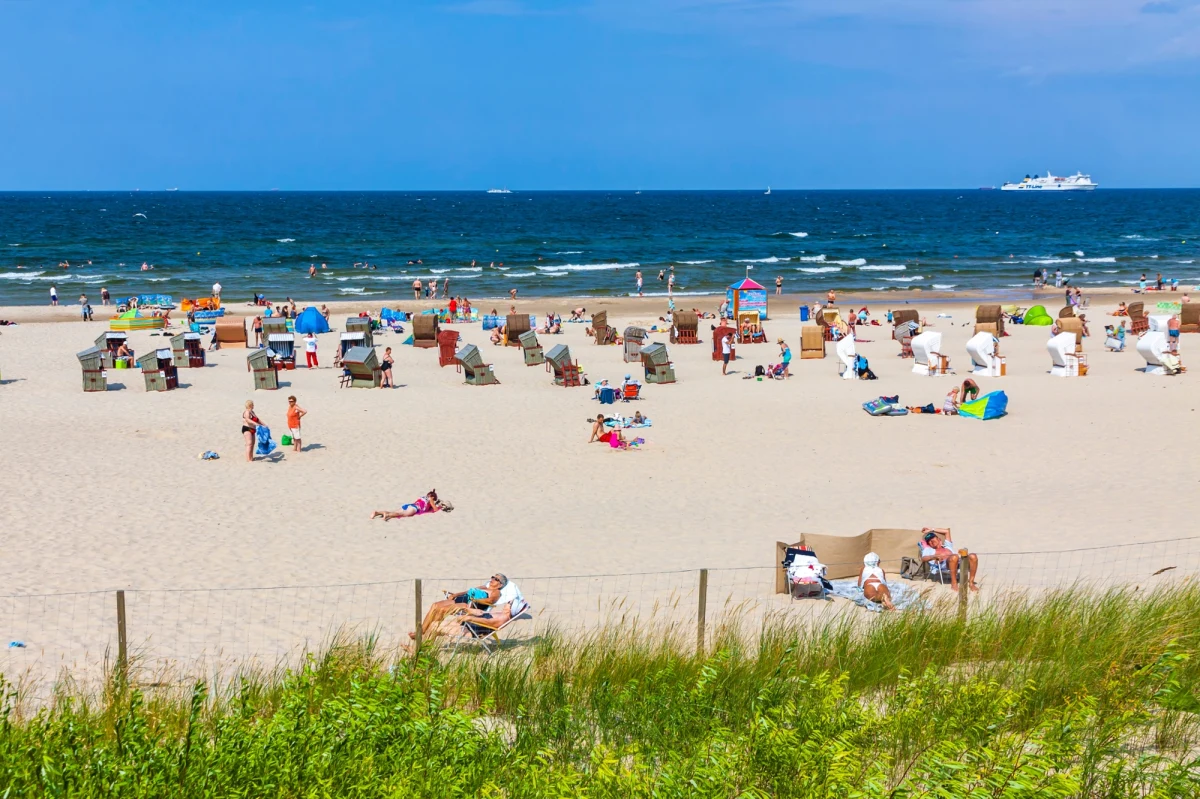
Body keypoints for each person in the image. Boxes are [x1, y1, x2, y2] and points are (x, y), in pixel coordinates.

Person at [412, 573, 508, 639]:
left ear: (500, 584)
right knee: (435, 606)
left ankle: (427, 634)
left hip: (467, 604)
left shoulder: (496, 592)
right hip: (459, 599)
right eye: (492, 577)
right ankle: (422, 631)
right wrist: (456, 594)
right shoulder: (484, 587)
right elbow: (468, 591)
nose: (492, 579)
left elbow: (490, 600)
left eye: (496, 579)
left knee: (441, 610)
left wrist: (474, 599)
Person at [370, 489, 448, 521]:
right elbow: (434, 509)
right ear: (433, 497)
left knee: (396, 512)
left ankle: (377, 513)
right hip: (414, 509)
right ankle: (386, 515)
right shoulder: (431, 499)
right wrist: (440, 507)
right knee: (398, 514)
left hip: (409, 505)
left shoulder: (423, 497)